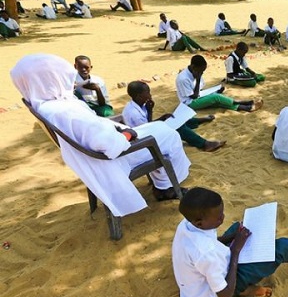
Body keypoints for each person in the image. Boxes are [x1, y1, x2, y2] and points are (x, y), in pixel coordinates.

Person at [12, 53, 191, 206]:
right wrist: (128, 133)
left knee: (158, 127)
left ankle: (161, 181)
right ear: (52, 77)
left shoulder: (46, 105)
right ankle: (165, 189)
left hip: (95, 155)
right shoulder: (64, 111)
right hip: (113, 157)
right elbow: (108, 145)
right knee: (169, 135)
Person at [123, 81, 225, 152]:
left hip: (147, 130)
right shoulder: (134, 113)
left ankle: (196, 121)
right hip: (143, 140)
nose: (150, 95)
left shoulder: (140, 104)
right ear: (138, 96)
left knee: (173, 118)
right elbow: (147, 130)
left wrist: (159, 116)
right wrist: (152, 114)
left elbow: (147, 125)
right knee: (178, 127)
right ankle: (204, 144)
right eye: (148, 93)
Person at [176, 55, 261, 112]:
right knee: (216, 97)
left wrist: (214, 90)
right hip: (189, 103)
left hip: (198, 95)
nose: (201, 73)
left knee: (219, 101)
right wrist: (197, 80)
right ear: (194, 67)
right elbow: (193, 96)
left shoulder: (196, 71)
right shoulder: (183, 78)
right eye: (200, 71)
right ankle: (242, 102)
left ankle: (245, 107)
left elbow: (200, 89)